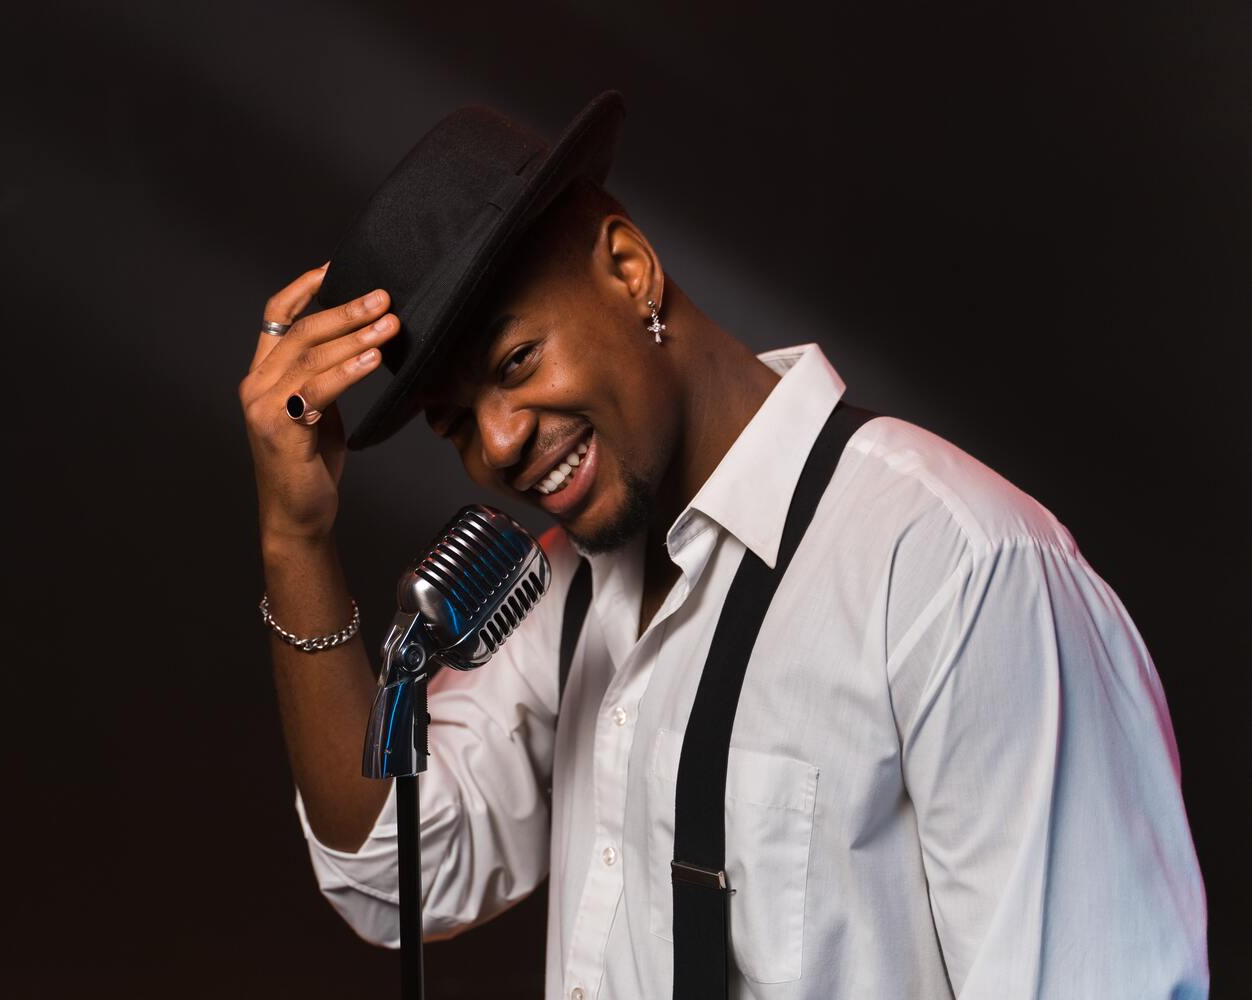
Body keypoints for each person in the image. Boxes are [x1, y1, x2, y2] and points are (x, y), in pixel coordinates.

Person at [239, 91, 1208, 999]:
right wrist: (296, 538)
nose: (496, 444)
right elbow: (397, 874)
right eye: (455, 423)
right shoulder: (568, 587)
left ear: (629, 270)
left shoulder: (953, 568)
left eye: (517, 361)